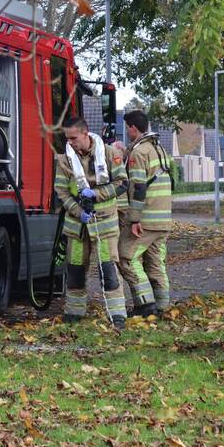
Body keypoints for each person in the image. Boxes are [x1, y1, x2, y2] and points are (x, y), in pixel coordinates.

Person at [53, 116, 129, 329]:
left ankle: (117, 315)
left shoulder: (109, 154)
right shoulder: (65, 159)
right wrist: (78, 210)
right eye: (67, 139)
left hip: (104, 223)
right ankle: (74, 313)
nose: (70, 143)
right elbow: (61, 191)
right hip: (77, 225)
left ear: (85, 134)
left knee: (109, 270)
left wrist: (96, 194)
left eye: (74, 138)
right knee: (75, 269)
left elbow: (122, 183)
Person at [117, 110, 173, 317]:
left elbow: (138, 188)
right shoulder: (159, 150)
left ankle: (145, 304)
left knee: (127, 257)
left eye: (127, 128)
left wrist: (134, 219)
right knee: (156, 263)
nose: (127, 132)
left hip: (146, 219)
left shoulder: (139, 153)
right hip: (163, 219)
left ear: (132, 128)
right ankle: (162, 307)